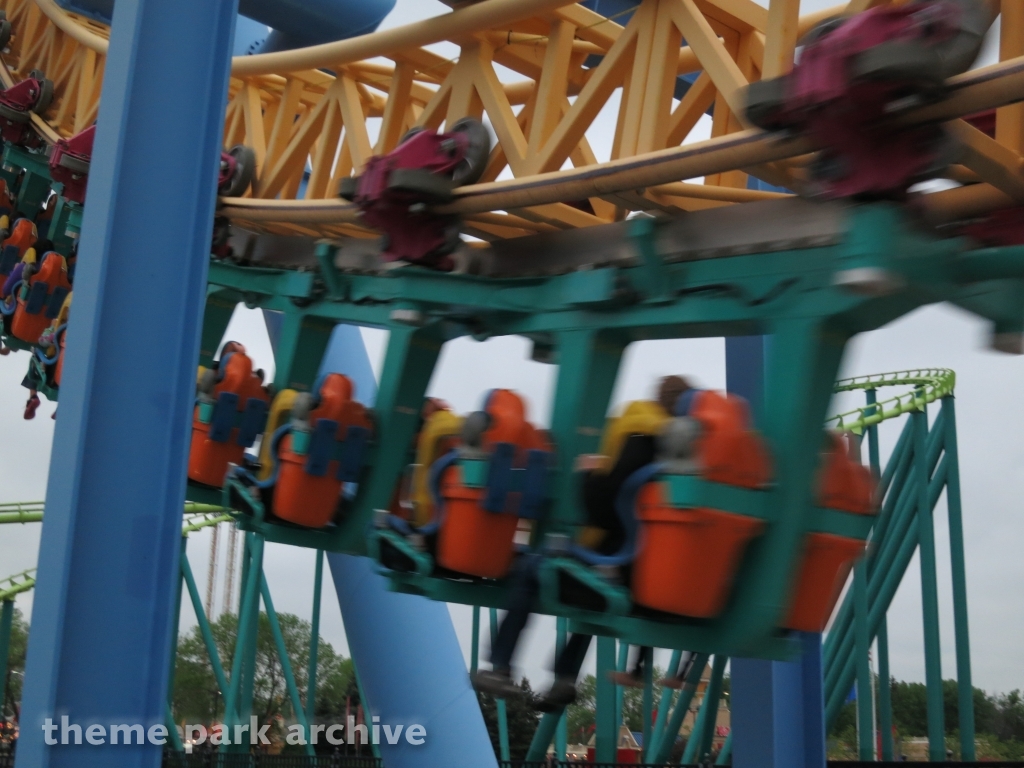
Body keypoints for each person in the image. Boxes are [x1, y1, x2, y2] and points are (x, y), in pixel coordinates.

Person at [474, 375, 693, 709]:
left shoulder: (639, 438)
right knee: (594, 594)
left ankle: (500, 666)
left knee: (534, 568)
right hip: (651, 576)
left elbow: (606, 507)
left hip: (620, 568)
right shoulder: (689, 458)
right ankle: (564, 676)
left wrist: (589, 477)